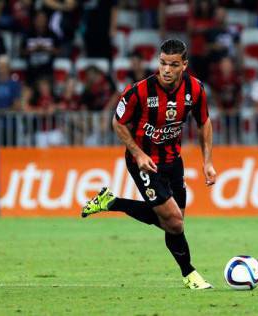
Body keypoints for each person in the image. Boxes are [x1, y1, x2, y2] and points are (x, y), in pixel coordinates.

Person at [81, 39, 216, 290]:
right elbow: (118, 123)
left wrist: (207, 162)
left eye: (173, 65)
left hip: (173, 161)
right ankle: (190, 274)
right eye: (163, 63)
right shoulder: (139, 91)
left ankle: (111, 202)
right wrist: (138, 154)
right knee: (175, 222)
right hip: (144, 163)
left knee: (174, 223)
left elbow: (204, 122)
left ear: (184, 65)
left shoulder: (195, 89)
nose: (166, 69)